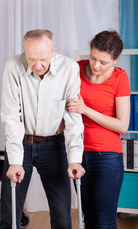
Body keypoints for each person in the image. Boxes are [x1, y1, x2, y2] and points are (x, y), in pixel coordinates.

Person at [0, 29, 85, 229]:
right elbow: (11, 116)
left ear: (54, 50)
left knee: (63, 218)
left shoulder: (69, 69)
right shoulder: (14, 65)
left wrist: (75, 158)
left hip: (54, 146)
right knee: (10, 217)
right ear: (24, 51)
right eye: (32, 59)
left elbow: (73, 117)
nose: (38, 66)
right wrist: (14, 161)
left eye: (44, 60)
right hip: (21, 144)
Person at [67, 30, 130, 229]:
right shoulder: (76, 69)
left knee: (105, 221)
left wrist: (86, 109)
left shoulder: (120, 78)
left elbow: (122, 125)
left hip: (108, 158)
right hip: (78, 154)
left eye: (103, 62)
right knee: (89, 219)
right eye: (93, 57)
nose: (95, 65)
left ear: (115, 60)